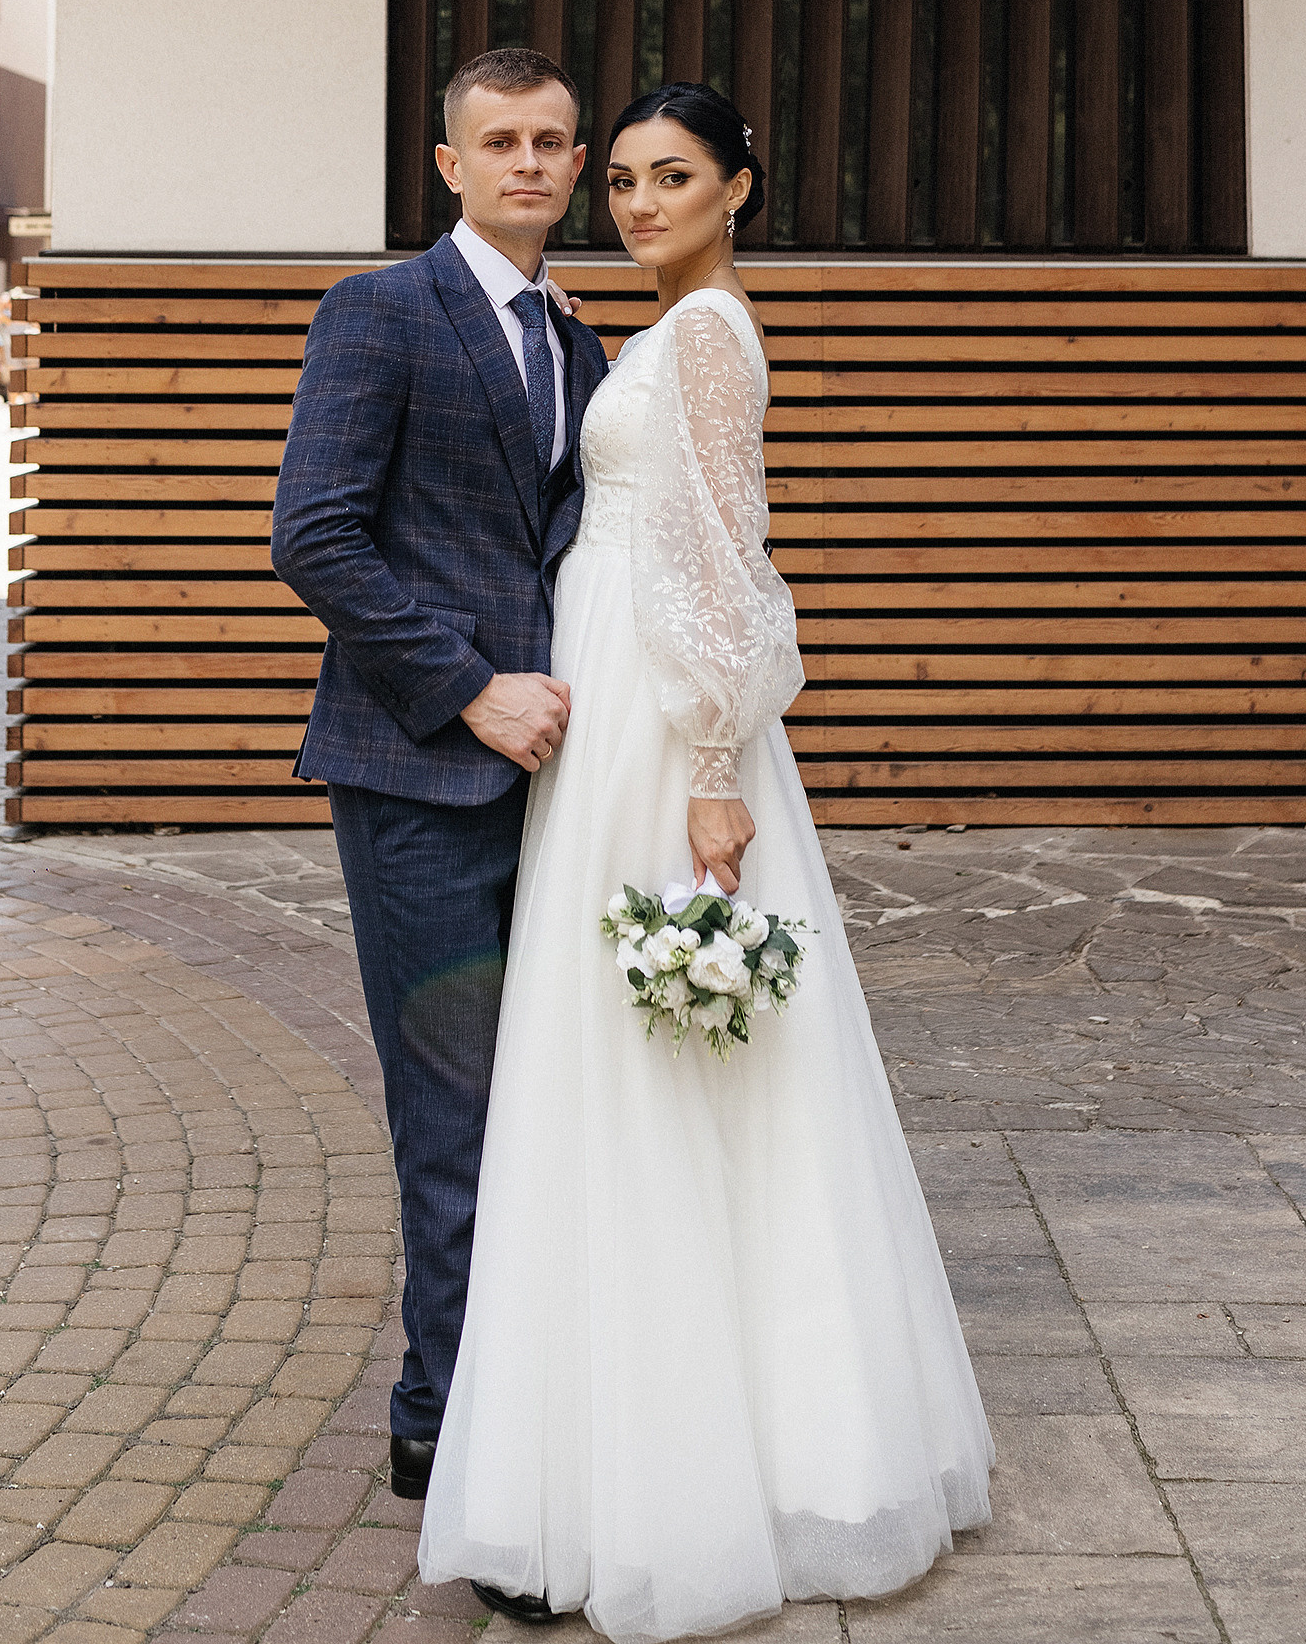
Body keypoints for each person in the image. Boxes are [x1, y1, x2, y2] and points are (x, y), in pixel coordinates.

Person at [418, 84, 993, 1639]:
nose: (635, 201)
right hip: (610, 698)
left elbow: (731, 556)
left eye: (672, 177)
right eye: (621, 178)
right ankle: (621, 1438)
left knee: (666, 1056)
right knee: (611, 1051)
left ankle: (701, 1460)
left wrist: (720, 770)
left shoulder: (715, 336)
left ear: (741, 185)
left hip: (669, 730)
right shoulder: (655, 329)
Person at [269, 47, 609, 1515]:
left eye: (552, 141)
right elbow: (317, 536)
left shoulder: (581, 343)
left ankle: (503, 1409)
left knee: (549, 1104)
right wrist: (469, 689)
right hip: (419, 778)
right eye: (501, 141)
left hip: (560, 785)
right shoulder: (382, 313)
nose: (529, 162)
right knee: (455, 1115)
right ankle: (447, 1433)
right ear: (449, 165)